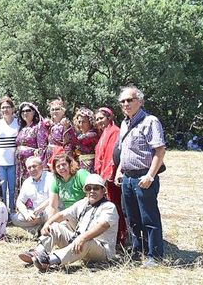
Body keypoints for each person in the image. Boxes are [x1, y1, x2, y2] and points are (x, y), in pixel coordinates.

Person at [19, 174, 119, 271]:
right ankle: (37, 253)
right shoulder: (83, 203)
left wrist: (82, 238)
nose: (92, 191)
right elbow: (62, 215)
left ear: (103, 190)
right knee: (55, 226)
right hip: (78, 244)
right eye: (89, 188)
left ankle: (48, 261)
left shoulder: (109, 206)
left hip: (101, 251)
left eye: (96, 188)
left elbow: (102, 225)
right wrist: (47, 224)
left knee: (87, 240)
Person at [114, 86, 166, 267]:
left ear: (140, 101)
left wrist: (150, 176)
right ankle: (138, 251)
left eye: (130, 100)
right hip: (127, 178)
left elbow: (159, 151)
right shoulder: (124, 123)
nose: (126, 104)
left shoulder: (150, 121)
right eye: (123, 101)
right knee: (132, 217)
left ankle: (155, 255)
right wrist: (119, 170)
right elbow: (124, 151)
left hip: (144, 177)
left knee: (149, 218)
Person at [93, 107, 127, 245]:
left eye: (101, 118)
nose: (99, 121)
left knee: (115, 205)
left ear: (109, 117)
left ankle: (121, 236)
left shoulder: (115, 131)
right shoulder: (104, 133)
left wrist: (108, 175)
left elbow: (114, 156)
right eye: (96, 119)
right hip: (103, 175)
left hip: (111, 177)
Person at [0, 96, 19, 213]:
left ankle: (12, 211)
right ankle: (3, 212)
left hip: (14, 162)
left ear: (12, 109)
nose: (5, 110)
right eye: (3, 108)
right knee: (1, 188)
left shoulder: (18, 123)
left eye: (7, 107)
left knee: (12, 189)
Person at [11, 157, 54, 235]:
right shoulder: (27, 182)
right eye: (29, 168)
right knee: (15, 218)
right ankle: (38, 230)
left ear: (41, 166)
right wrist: (26, 214)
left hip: (50, 210)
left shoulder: (51, 178)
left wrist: (40, 208)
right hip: (36, 214)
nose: (32, 169)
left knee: (49, 211)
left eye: (34, 166)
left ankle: (50, 231)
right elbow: (20, 201)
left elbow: (54, 198)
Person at [45, 150, 90, 217]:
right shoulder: (56, 181)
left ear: (70, 165)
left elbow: (92, 194)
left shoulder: (80, 175)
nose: (61, 168)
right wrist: (49, 223)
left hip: (86, 211)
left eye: (64, 164)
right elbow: (53, 207)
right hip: (69, 214)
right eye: (58, 166)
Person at [15, 102, 48, 188]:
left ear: (33, 112)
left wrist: (41, 165)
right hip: (20, 165)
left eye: (28, 110)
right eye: (23, 111)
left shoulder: (38, 126)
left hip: (32, 164)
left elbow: (42, 147)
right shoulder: (21, 128)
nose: (25, 113)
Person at [44, 99, 78, 167]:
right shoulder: (49, 125)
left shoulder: (66, 124)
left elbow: (70, 142)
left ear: (63, 111)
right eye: (52, 110)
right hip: (49, 154)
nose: (54, 111)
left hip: (61, 154)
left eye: (57, 109)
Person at [73, 107, 99, 172]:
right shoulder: (79, 135)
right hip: (80, 164)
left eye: (84, 122)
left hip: (90, 165)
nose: (81, 124)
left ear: (90, 122)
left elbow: (76, 141)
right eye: (79, 122)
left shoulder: (92, 135)